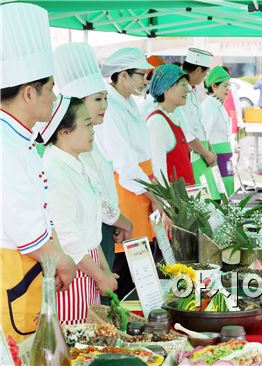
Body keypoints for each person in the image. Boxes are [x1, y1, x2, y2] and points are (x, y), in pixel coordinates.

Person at [0, 2, 76, 342]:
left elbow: (42, 217)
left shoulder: (23, 140)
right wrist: (60, 261)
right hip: (11, 271)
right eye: (51, 88)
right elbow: (24, 227)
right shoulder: (5, 144)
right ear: (29, 93)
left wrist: (55, 256)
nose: (55, 96)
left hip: (29, 271)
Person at [53, 42, 133, 285]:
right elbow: (94, 196)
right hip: (87, 242)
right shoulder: (70, 151)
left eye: (106, 99)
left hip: (100, 233)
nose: (104, 106)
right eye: (98, 99)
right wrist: (121, 219)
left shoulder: (90, 142)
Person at [95, 48, 166, 299]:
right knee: (126, 265)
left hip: (142, 188)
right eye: (141, 75)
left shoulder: (128, 102)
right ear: (122, 76)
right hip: (127, 190)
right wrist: (154, 196)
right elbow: (124, 162)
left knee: (141, 261)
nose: (145, 81)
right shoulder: (111, 108)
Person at [40, 96, 119, 324]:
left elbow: (90, 231)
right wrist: (100, 275)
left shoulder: (77, 165)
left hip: (89, 264)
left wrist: (104, 271)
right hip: (72, 269)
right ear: (64, 131)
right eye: (86, 124)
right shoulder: (55, 173)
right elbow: (68, 240)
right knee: (76, 345)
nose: (93, 130)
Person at [179, 48, 219, 196]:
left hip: (199, 153)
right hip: (192, 153)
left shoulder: (191, 90)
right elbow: (186, 132)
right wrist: (206, 153)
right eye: (205, 73)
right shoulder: (182, 91)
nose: (205, 77)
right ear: (197, 70)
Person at [147, 64, 195, 185]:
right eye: (183, 85)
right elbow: (158, 171)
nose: (188, 89)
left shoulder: (172, 118)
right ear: (166, 88)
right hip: (173, 201)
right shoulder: (157, 121)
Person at [202, 66, 235, 195]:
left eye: (229, 86)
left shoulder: (219, 104)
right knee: (221, 195)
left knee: (229, 192)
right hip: (216, 157)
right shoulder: (209, 105)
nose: (228, 90)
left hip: (225, 157)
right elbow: (205, 135)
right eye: (225, 86)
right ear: (214, 86)